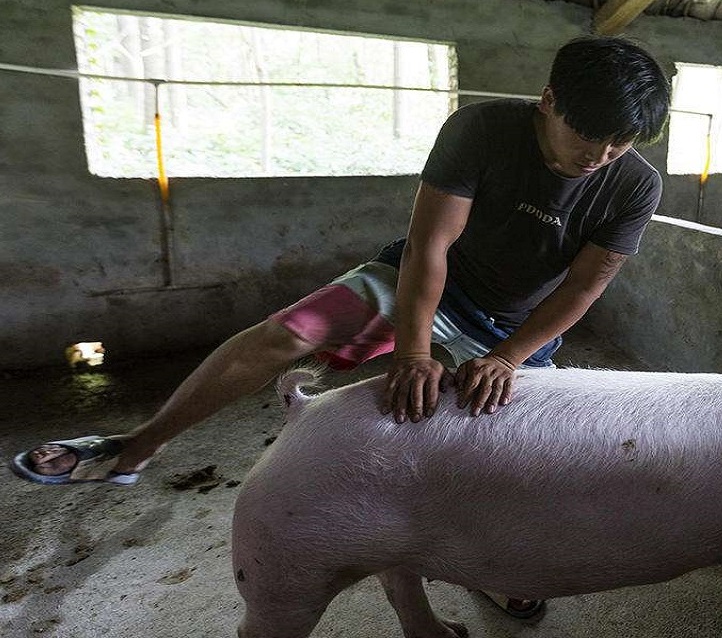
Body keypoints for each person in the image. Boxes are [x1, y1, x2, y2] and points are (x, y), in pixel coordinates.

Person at [11, 34, 671, 618]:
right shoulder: (482, 130)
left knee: (526, 457)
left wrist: (505, 356)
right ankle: (136, 447)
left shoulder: (633, 184)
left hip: (514, 327)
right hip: (422, 280)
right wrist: (412, 350)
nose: (600, 155)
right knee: (286, 334)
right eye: (587, 138)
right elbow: (428, 247)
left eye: (619, 144)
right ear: (548, 100)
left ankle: (501, 572)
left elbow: (586, 285)